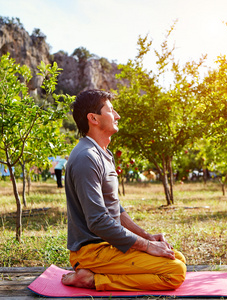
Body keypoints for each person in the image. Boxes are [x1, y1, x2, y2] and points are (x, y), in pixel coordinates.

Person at [61, 89, 186, 291]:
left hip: (109, 244)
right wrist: (147, 247)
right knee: (174, 272)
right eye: (111, 110)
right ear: (93, 118)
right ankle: (93, 280)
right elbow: (98, 221)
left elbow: (115, 208)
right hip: (93, 251)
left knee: (177, 257)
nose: (117, 116)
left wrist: (148, 237)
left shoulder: (103, 154)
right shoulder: (86, 157)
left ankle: (95, 274)